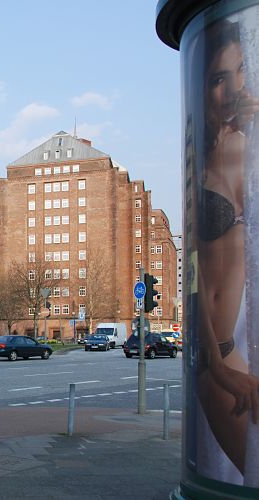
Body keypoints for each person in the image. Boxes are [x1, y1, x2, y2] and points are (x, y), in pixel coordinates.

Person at [195, 18, 259, 481]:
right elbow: (194, 278)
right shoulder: (197, 160)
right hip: (213, 359)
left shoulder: (245, 143)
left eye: (240, 73)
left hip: (232, 350)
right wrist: (218, 370)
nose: (232, 89)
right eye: (219, 78)